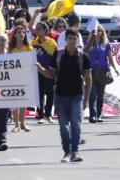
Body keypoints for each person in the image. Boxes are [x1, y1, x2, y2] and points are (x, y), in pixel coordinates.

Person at [38, 29, 92, 163]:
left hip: (77, 95)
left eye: (75, 39)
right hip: (60, 95)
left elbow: (88, 78)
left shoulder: (83, 56)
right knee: (63, 126)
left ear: (78, 40)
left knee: (76, 124)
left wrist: (86, 99)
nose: (72, 41)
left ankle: (75, 152)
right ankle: (66, 152)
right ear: (66, 40)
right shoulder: (58, 54)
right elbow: (51, 74)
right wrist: (40, 68)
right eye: (70, 39)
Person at [84, 25, 119, 124]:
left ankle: (99, 115)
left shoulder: (106, 44)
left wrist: (115, 69)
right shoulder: (89, 43)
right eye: (95, 31)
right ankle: (92, 115)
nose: (98, 32)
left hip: (103, 72)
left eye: (99, 31)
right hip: (91, 71)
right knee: (93, 94)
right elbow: (85, 54)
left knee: (100, 95)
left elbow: (110, 57)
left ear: (102, 32)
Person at [31, 21, 58, 124]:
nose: (37, 31)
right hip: (37, 72)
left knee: (50, 93)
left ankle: (48, 114)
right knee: (39, 93)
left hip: (48, 71)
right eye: (36, 29)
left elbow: (53, 57)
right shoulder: (33, 43)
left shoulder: (51, 42)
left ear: (45, 30)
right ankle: (40, 115)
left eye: (39, 29)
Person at [9, 25, 34, 132]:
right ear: (14, 35)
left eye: (23, 33)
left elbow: (31, 62)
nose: (21, 34)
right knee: (15, 101)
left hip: (25, 77)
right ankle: (16, 124)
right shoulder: (11, 49)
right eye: (19, 32)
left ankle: (23, 123)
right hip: (14, 78)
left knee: (24, 101)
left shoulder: (29, 47)